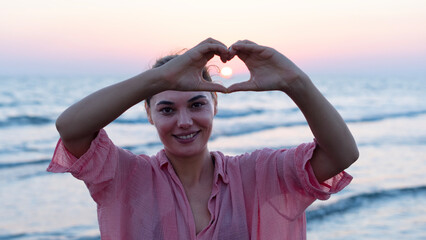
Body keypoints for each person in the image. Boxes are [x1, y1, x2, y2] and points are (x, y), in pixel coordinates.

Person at [47, 38, 359, 239]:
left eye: (197, 104)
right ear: (149, 114)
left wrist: (295, 82)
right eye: (167, 109)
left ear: (215, 105)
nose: (184, 122)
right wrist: (159, 78)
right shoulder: (124, 176)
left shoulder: (258, 174)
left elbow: (341, 154)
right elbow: (70, 128)